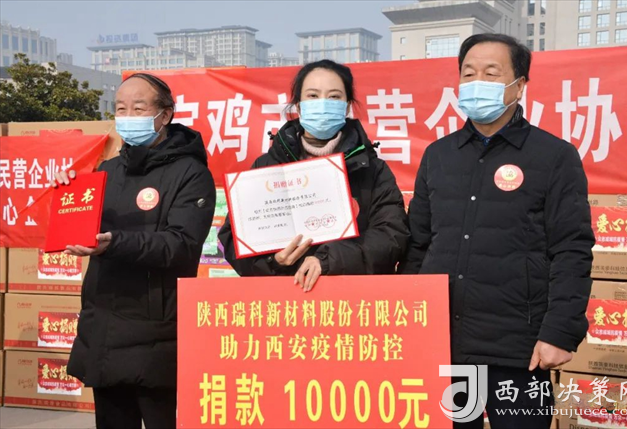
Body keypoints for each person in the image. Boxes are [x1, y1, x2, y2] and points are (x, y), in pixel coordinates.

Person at [399, 34, 594, 428]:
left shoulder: (553, 156)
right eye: (468, 73)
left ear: (519, 86)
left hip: (520, 351)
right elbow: (418, 245)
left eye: (491, 73)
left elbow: (572, 249)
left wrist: (560, 331)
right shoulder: (438, 155)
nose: (477, 82)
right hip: (446, 346)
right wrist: (409, 321)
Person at [53, 73, 216, 429]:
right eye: (121, 108)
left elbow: (181, 245)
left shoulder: (191, 174)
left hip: (156, 333)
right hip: (104, 328)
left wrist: (115, 243)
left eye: (138, 108)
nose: (128, 116)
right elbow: (84, 230)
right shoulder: (107, 171)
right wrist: (69, 195)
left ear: (165, 115)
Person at [219, 60, 409, 289]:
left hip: (353, 299)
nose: (323, 104)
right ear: (299, 107)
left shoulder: (372, 169)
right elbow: (233, 238)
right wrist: (272, 261)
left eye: (334, 96)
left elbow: (391, 235)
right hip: (283, 300)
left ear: (347, 106)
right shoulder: (266, 166)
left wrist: (329, 260)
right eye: (313, 95)